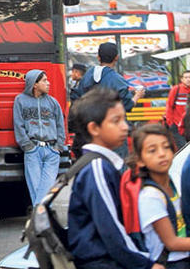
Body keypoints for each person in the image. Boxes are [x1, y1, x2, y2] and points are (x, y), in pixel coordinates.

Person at [67, 87, 162, 269]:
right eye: (116, 121)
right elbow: (111, 230)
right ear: (94, 128)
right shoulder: (97, 168)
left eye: (123, 119)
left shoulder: (101, 164)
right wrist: (146, 264)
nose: (125, 126)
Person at [127, 124, 190, 269]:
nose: (162, 154)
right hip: (170, 262)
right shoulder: (151, 196)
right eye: (152, 150)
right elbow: (172, 243)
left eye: (166, 147)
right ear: (140, 160)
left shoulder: (171, 184)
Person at [70, 42, 144, 157]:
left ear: (98, 57)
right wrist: (137, 96)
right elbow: (127, 106)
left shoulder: (87, 76)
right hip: (112, 132)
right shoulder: (117, 79)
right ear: (117, 58)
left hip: (90, 132)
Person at [13, 70, 65, 207]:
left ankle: (39, 218)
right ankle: (43, 220)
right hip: (33, 150)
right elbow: (18, 124)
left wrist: (58, 146)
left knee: (47, 189)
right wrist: (28, 146)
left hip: (51, 151)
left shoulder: (53, 102)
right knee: (35, 188)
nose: (48, 83)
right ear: (34, 84)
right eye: (44, 81)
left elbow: (61, 124)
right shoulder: (20, 100)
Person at [165, 71, 190, 150]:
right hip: (177, 125)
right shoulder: (176, 89)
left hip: (188, 125)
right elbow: (169, 106)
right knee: (183, 148)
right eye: (186, 77)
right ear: (181, 79)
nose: (188, 79)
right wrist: (171, 123)